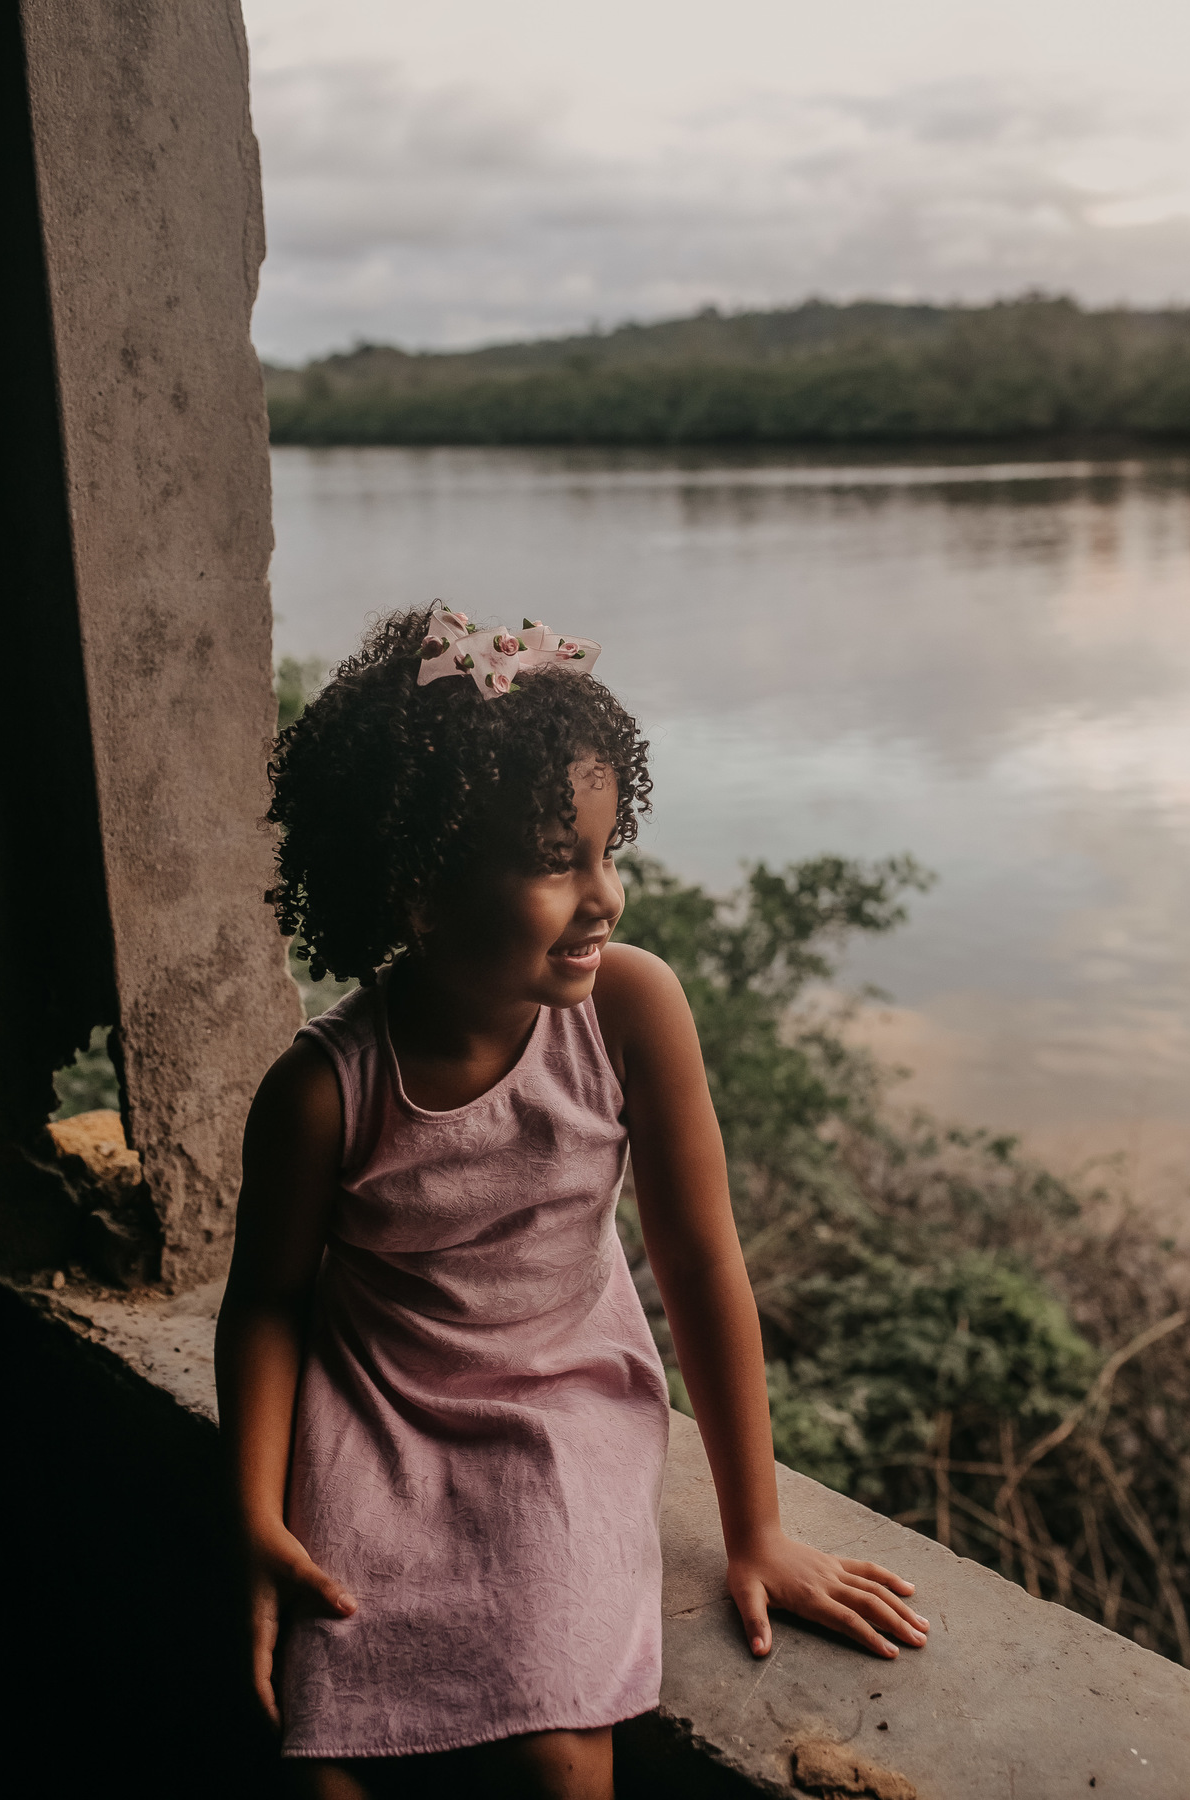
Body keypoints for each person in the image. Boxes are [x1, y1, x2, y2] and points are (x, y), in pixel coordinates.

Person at [215, 607, 929, 1800]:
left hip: (562, 1399)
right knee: (322, 1754)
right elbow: (272, 1306)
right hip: (377, 1410)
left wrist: (756, 1528)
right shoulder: (322, 1093)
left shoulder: (630, 1011)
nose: (605, 896)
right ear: (421, 892)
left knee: (563, 1761)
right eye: (558, 860)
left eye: (609, 848)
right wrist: (248, 1516)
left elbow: (701, 1265)